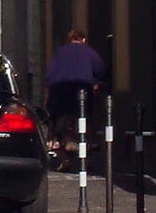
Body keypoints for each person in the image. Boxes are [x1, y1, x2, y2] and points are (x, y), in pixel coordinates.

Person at [44, 29, 108, 170]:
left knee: (56, 129)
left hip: (59, 94)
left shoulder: (59, 52)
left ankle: (64, 157)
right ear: (83, 39)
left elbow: (49, 75)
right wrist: (96, 83)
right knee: (85, 122)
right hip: (82, 93)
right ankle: (86, 154)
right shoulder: (90, 52)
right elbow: (101, 71)